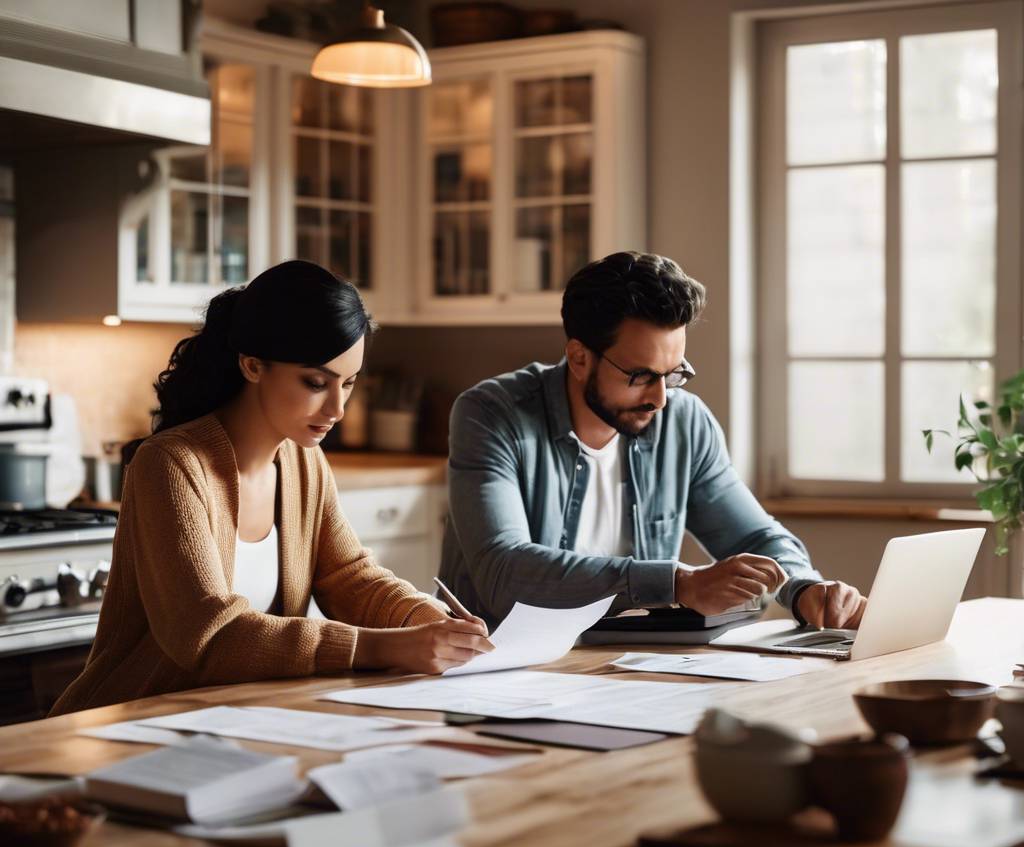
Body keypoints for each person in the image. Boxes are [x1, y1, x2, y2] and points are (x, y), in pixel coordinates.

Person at [53, 261, 491, 715]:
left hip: (237, 717)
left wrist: (428, 621)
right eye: (316, 383)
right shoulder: (171, 464)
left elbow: (351, 578)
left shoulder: (304, 461)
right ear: (253, 365)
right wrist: (384, 647)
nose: (338, 408)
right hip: (130, 721)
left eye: (349, 384)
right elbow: (209, 636)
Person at [439, 251, 867, 628]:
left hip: (635, 666)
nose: (661, 398)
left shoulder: (684, 422)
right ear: (579, 357)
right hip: (503, 665)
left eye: (674, 373)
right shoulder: (491, 414)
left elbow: (756, 539)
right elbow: (503, 570)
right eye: (640, 376)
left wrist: (805, 589)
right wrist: (677, 583)